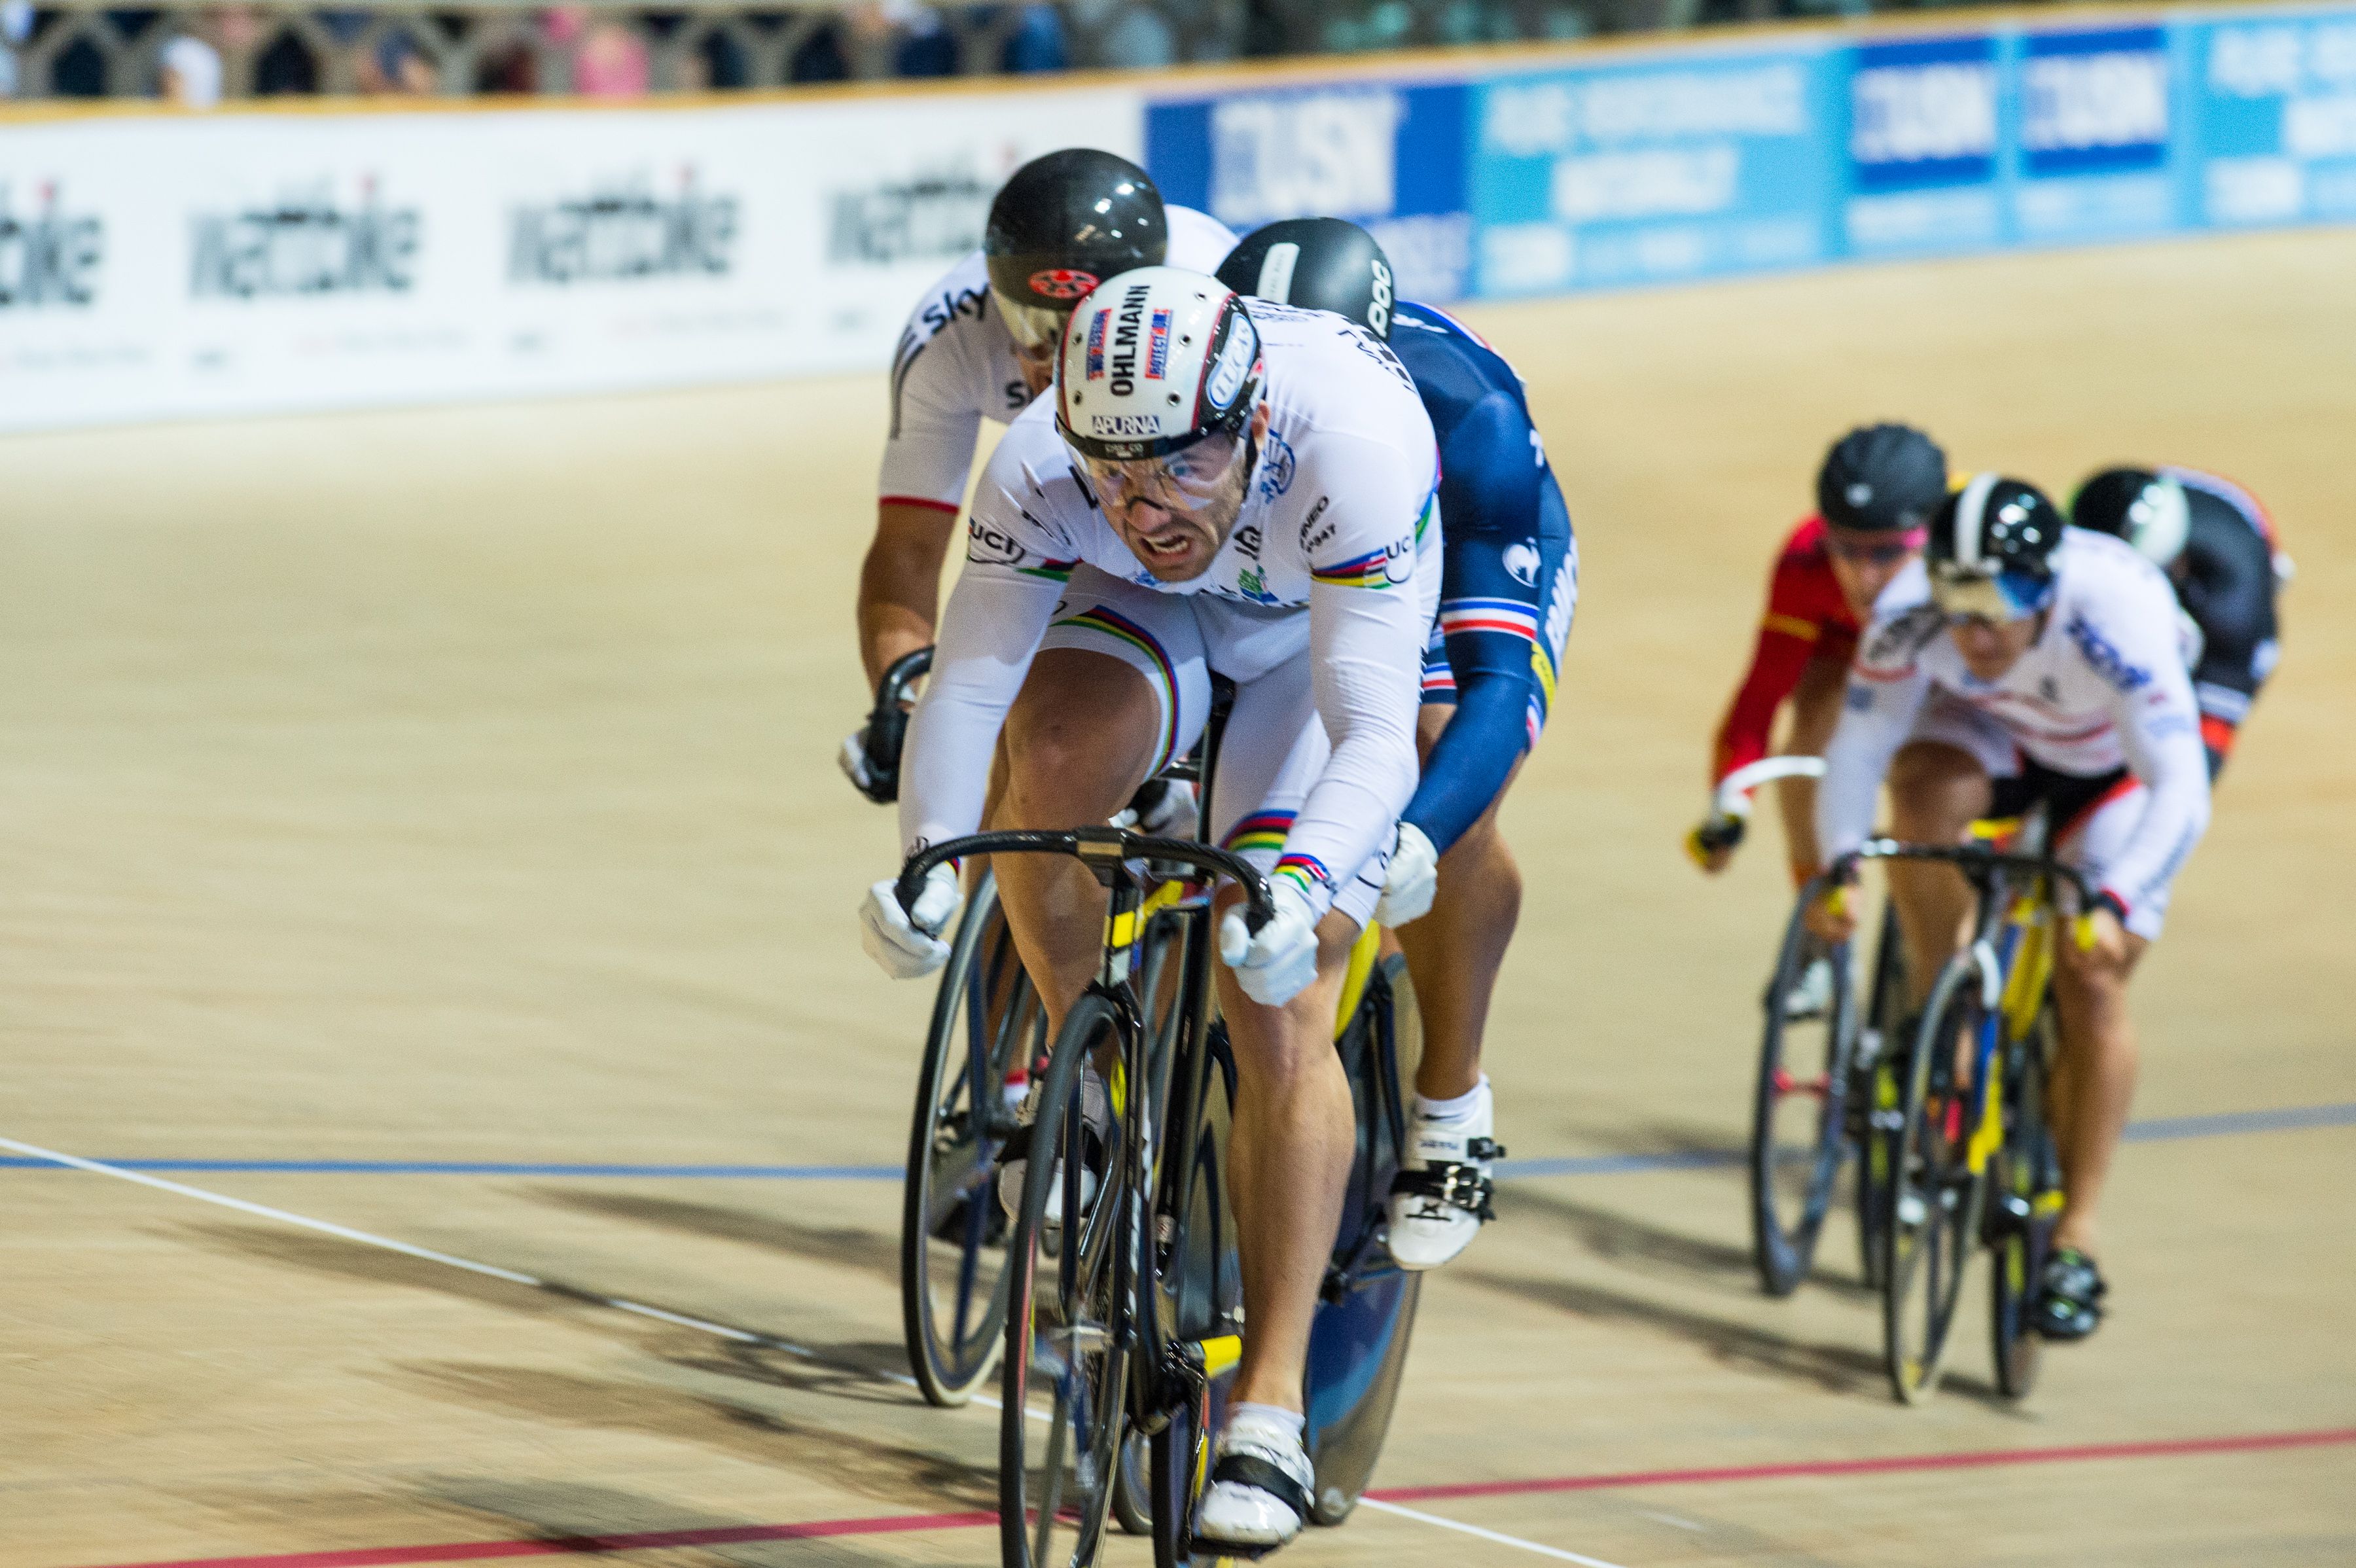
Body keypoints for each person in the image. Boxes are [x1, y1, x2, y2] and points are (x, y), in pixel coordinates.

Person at [858, 266, 1440, 1551]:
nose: (1143, 502)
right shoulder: (1041, 462)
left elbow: (1372, 728)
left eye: (1175, 469)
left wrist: (1300, 889)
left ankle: (1272, 1413)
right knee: (1049, 763)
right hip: (1151, 619)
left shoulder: (1352, 442)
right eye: (1112, 472)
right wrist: (929, 864)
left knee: (1278, 1001)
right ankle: (1090, 1090)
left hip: (1310, 649)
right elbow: (970, 685)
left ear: (1247, 424)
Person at [1214, 217, 1574, 1271]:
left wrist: (1416, 833)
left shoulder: (1473, 416)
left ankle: (1452, 1100)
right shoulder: (1202, 370)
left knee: (1435, 751)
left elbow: (1495, 693)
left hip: (1453, 543)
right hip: (1304, 540)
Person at [1806, 474, 2212, 1343]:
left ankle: (2075, 1235)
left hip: (2114, 775)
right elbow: (1862, 744)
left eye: (2003, 602)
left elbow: (2181, 784)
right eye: (1962, 602)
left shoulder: (2114, 614)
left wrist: (2114, 896)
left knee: (2092, 976)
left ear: (2049, 586)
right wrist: (1841, 868)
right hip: (2003, 738)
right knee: (1919, 794)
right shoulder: (1914, 612)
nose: (1980, 628)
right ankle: (1936, 994)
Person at [842, 148, 1237, 798]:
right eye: (1031, 327)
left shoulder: (1213, 295)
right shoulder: (948, 336)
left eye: (1080, 328)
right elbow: (908, 549)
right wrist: (905, 708)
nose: (1056, 363)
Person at [1689, 423, 1949, 885]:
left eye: (1888, 552)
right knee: (1816, 726)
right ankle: (1820, 906)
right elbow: (1761, 694)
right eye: (1844, 548)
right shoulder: (1806, 561)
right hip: (1845, 650)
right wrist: (1730, 802)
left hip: (1940, 652)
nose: (1862, 577)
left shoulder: (1961, 557)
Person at [2069, 466, 2285, 779]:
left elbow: (2214, 721)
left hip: (2230, 612)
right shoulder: (2095, 517)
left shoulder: (2234, 607)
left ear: (2176, 566)